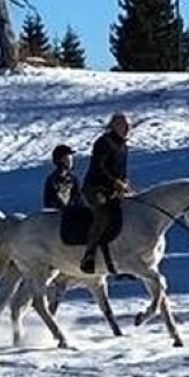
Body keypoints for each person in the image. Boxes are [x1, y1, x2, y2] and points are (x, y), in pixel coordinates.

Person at [80, 112, 133, 274]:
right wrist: (115, 182)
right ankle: (89, 253)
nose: (127, 129)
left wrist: (125, 183)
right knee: (102, 214)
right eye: (123, 125)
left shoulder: (124, 146)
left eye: (129, 126)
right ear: (114, 125)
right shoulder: (103, 142)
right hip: (95, 187)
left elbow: (121, 170)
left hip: (114, 189)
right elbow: (99, 167)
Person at [42, 144, 83, 210]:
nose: (71, 161)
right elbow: (49, 205)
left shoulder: (74, 180)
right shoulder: (52, 180)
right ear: (60, 160)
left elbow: (79, 201)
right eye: (68, 158)